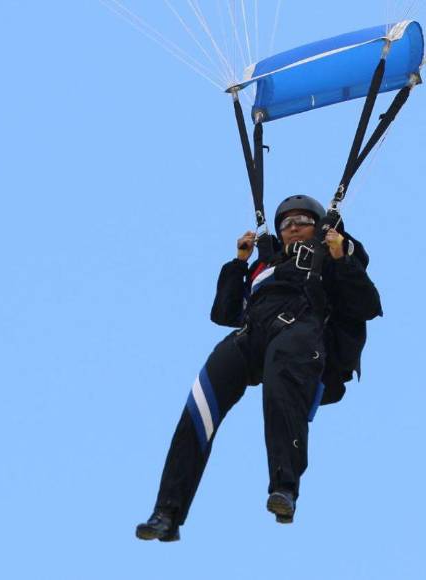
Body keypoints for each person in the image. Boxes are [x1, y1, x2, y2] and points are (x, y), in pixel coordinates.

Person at [135, 195, 382, 541]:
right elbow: (224, 313)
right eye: (286, 224)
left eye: (302, 222)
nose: (293, 227)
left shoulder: (328, 256)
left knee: (280, 383)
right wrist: (239, 262)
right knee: (200, 400)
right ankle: (167, 512)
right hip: (251, 336)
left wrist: (342, 257)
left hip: (300, 331)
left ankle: (284, 487)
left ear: (318, 227)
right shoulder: (263, 267)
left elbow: (366, 306)